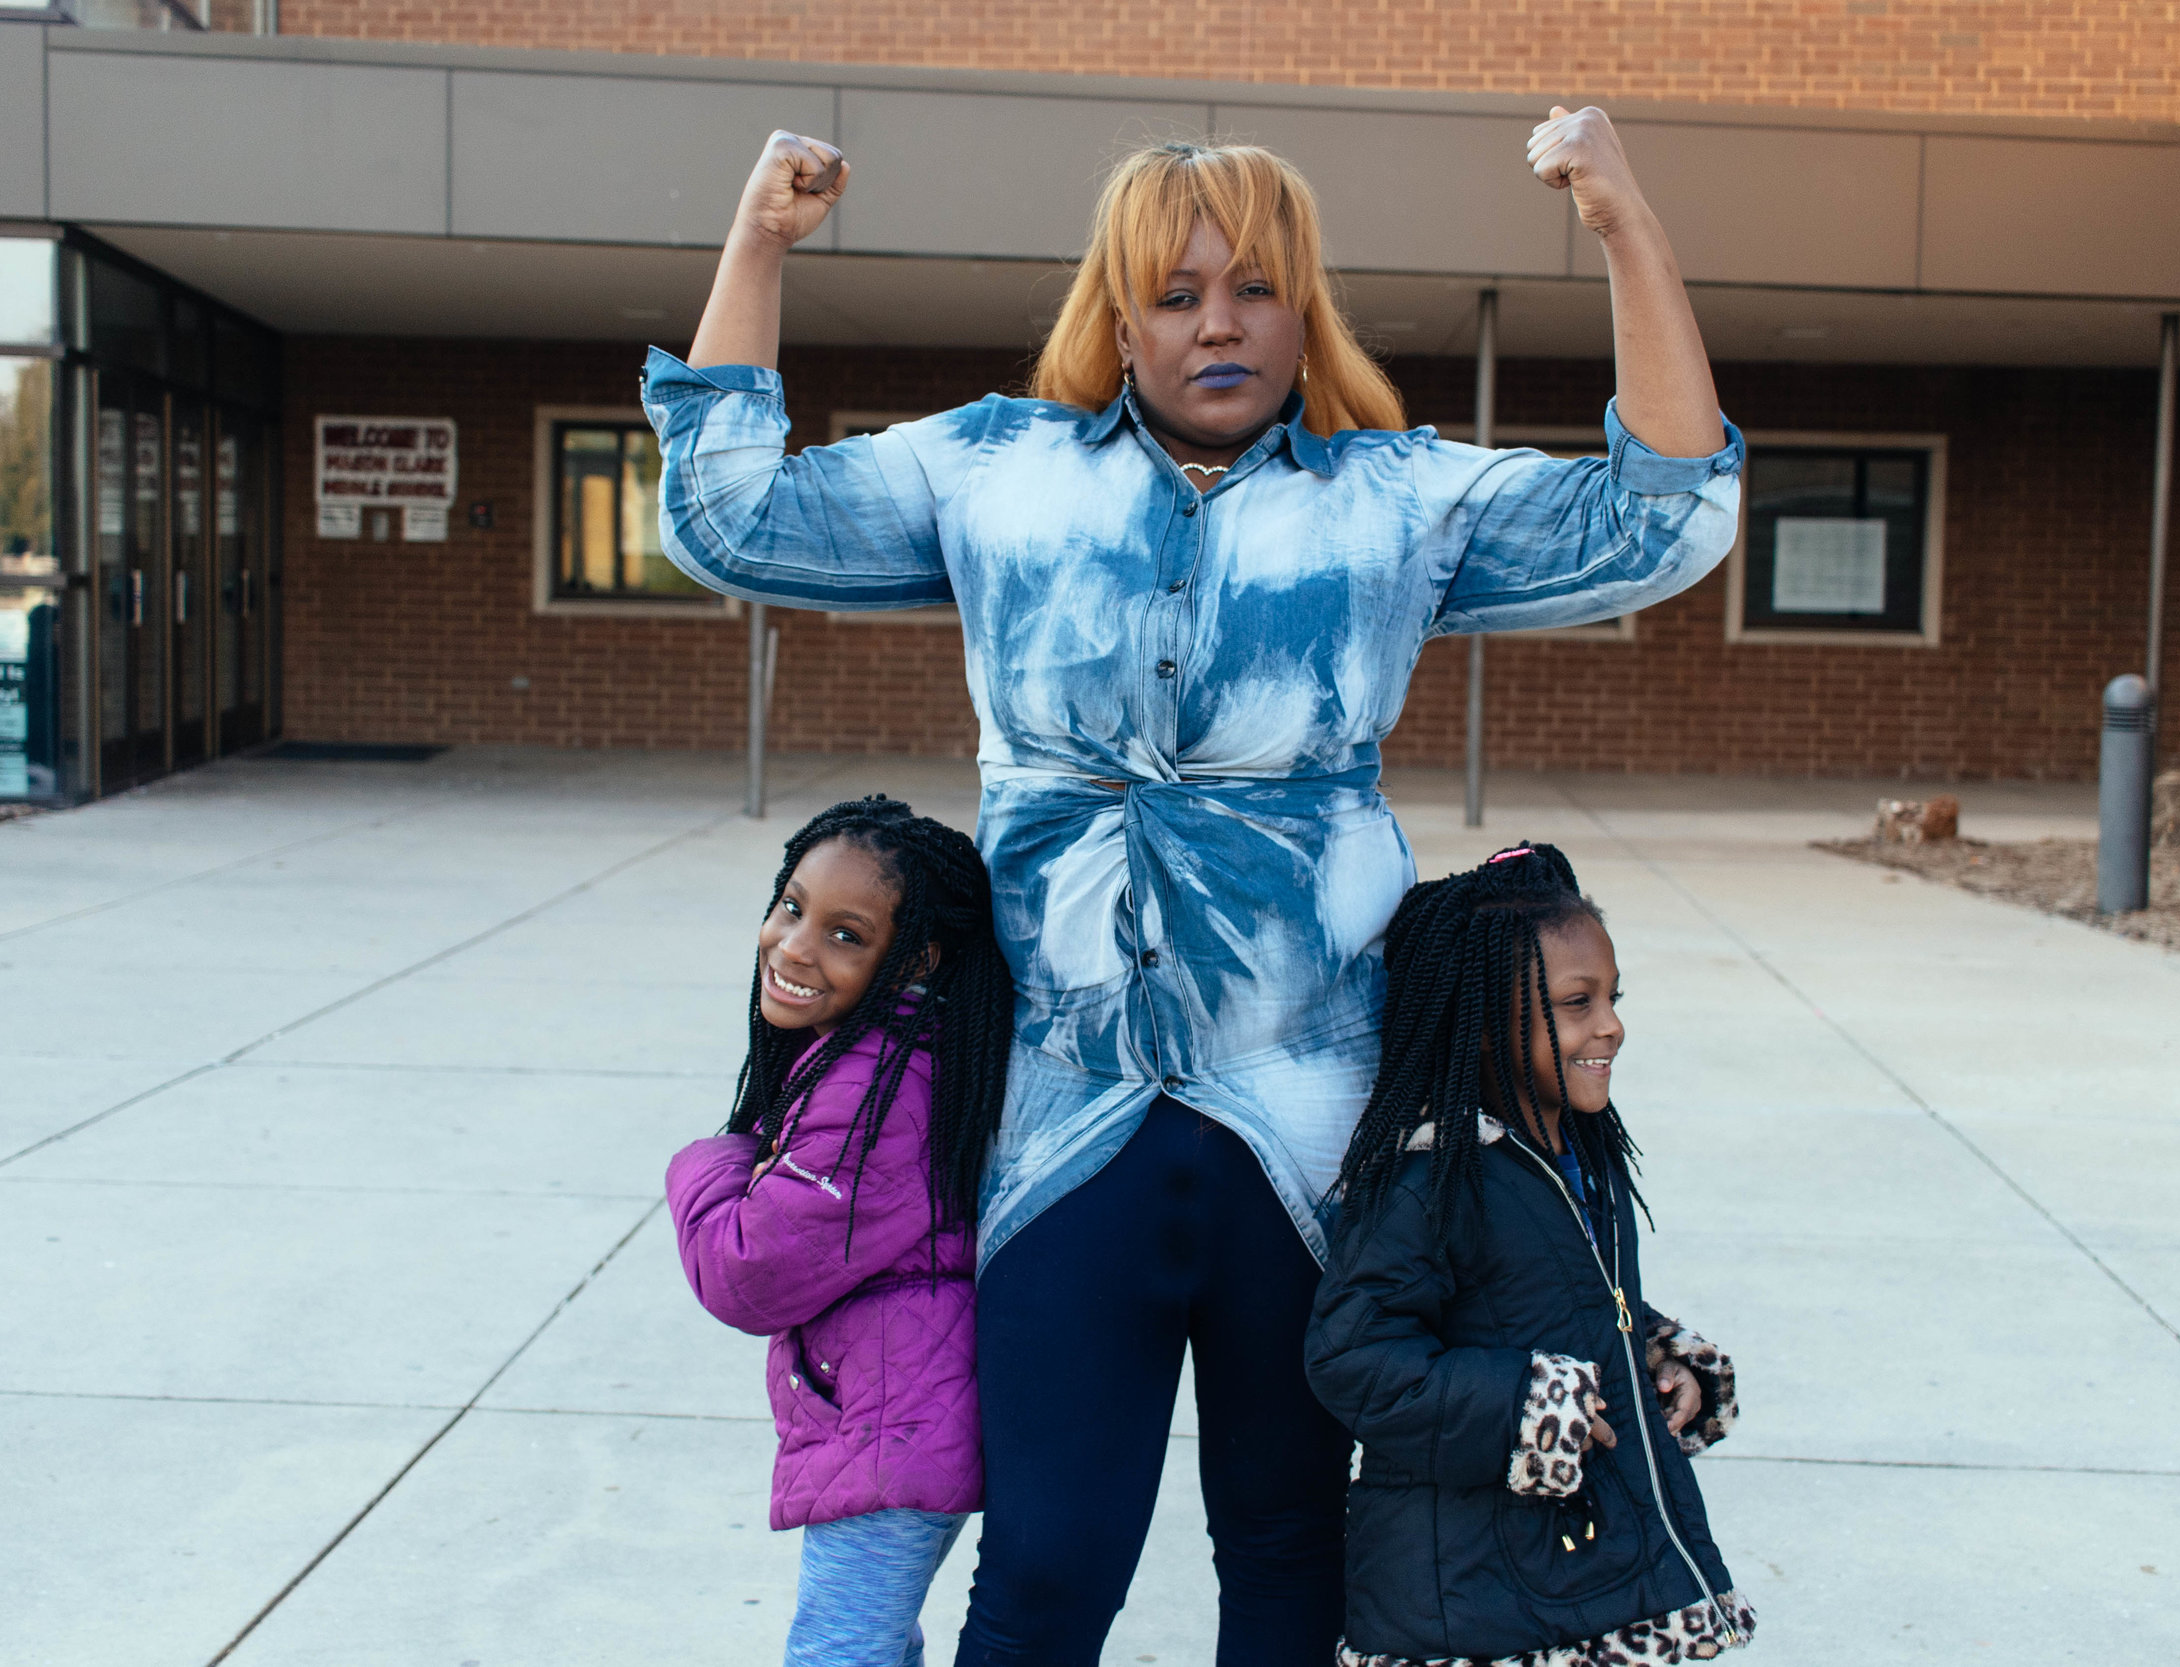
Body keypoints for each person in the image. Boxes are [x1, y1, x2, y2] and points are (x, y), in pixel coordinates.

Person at [646, 106, 1744, 1663]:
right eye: (1173, 292)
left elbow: (1668, 518)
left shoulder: (1393, 500)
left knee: (1287, 1557)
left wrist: (1627, 222)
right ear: (1119, 312)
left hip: (1302, 1136)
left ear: (1307, 305)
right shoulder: (995, 472)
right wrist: (758, 240)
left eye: (1253, 287)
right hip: (1058, 1125)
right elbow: (727, 515)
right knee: (1045, 1566)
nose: (1216, 322)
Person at [1308, 842, 1754, 1666]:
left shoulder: (1575, 1152)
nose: (1611, 1024)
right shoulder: (1434, 1179)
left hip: (1566, 1566)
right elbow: (1352, 1352)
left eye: (1613, 997)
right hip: (1472, 1593)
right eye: (1576, 1003)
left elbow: (1565, 1294)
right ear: (1483, 1023)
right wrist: (1528, 1403)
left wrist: (1656, 1354)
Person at [666, 796, 1013, 1667]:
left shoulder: (880, 1087)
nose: (793, 946)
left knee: (838, 1652)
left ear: (916, 959)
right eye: (791, 906)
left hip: (892, 1433)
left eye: (845, 935)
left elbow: (748, 1272)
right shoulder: (886, 1057)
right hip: (893, 1419)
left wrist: (708, 1160)